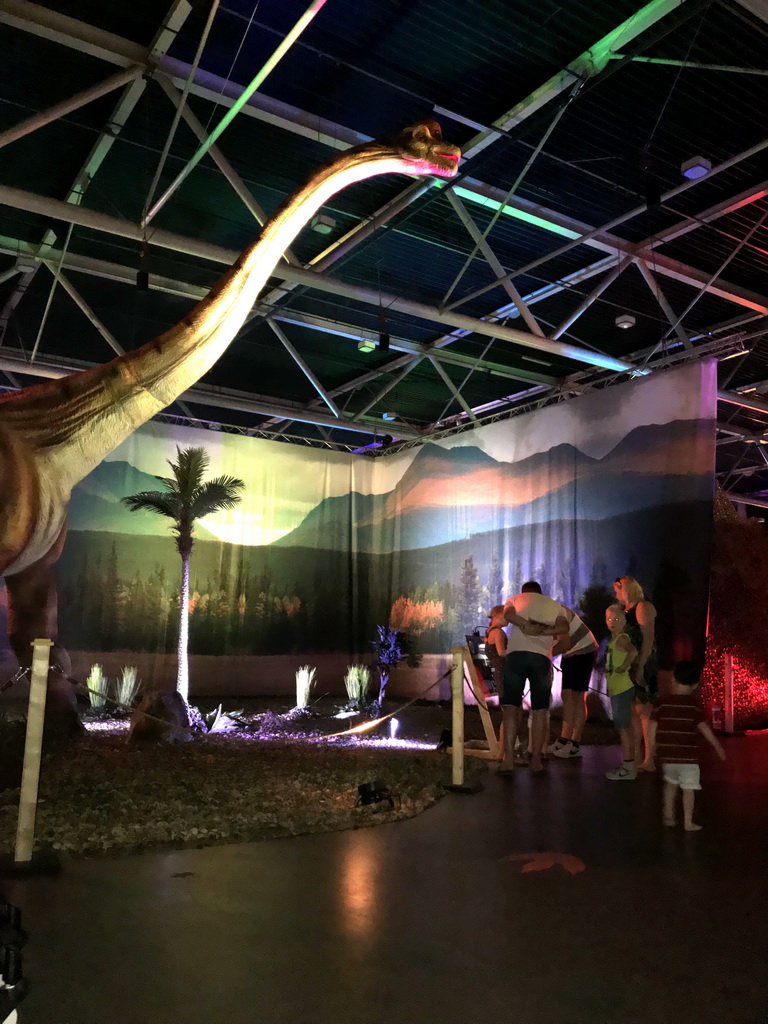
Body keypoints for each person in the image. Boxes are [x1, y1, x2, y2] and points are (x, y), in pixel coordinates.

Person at [500, 581, 568, 774]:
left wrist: (525, 625)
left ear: (524, 592)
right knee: (539, 710)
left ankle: (508, 760)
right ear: (541, 593)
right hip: (541, 658)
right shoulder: (555, 606)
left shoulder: (514, 599)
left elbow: (508, 615)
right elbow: (563, 628)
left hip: (516, 656)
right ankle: (536, 759)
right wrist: (544, 631)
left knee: (510, 708)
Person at [649, 661, 725, 830]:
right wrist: (717, 746)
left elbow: (653, 725)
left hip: (668, 756)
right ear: (695, 685)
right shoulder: (694, 705)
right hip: (688, 758)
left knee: (670, 785)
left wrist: (652, 746)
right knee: (689, 790)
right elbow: (704, 728)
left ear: (673, 680)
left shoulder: (661, 702)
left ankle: (668, 816)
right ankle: (688, 822)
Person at [614, 575, 658, 771]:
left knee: (644, 710)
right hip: (630, 662)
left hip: (642, 660)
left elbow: (648, 640)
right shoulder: (626, 610)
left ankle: (649, 758)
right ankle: (637, 756)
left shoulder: (642, 607)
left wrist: (641, 665)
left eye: (617, 589)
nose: (615, 593)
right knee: (632, 710)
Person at [548, 605, 598, 759]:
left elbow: (564, 643)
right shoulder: (546, 615)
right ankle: (564, 739)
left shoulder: (555, 613)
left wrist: (544, 656)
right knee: (566, 695)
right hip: (570, 654)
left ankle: (575, 743)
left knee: (577, 696)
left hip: (584, 651)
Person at [603, 605, 639, 781]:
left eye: (617, 619)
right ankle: (629, 763)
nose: (612, 622)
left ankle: (629, 766)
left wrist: (624, 667)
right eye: (609, 619)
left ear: (624, 621)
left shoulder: (622, 639)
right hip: (618, 689)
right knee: (624, 727)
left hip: (622, 688)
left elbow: (633, 652)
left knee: (624, 728)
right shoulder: (614, 641)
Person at [484, 605, 507, 697]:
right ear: (498, 615)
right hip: (502, 668)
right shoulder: (498, 632)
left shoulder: (488, 631)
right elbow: (501, 652)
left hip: (495, 668)